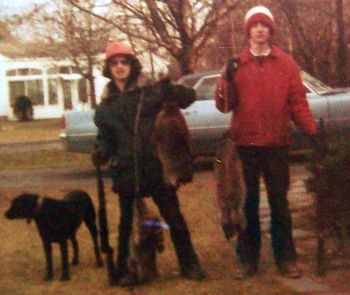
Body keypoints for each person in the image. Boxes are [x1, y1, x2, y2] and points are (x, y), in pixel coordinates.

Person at [215, 6, 324, 279]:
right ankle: (248, 260)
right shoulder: (237, 64)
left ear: (271, 31)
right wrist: (226, 79)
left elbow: (298, 102)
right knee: (247, 205)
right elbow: (223, 106)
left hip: (277, 144)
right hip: (245, 146)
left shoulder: (286, 63)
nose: (260, 30)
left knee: (279, 204)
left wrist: (312, 132)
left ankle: (286, 258)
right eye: (255, 25)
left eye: (264, 25)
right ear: (248, 31)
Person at [91, 40, 206, 286]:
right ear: (108, 68)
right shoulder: (105, 107)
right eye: (114, 63)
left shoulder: (151, 91)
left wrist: (169, 88)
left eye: (124, 62)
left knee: (173, 217)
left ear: (132, 65)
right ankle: (122, 269)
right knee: (124, 225)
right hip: (126, 172)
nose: (120, 67)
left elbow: (189, 97)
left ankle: (190, 264)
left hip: (156, 168)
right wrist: (100, 152)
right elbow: (106, 141)